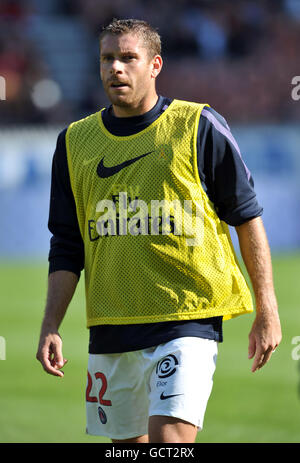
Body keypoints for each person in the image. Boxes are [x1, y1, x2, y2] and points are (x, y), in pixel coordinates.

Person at [36, 18, 282, 444]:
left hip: (186, 320)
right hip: (112, 324)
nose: (116, 68)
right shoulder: (74, 142)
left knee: (170, 440)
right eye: (107, 59)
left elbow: (246, 217)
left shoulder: (198, 126)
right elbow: (67, 243)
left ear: (155, 65)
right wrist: (51, 324)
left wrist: (268, 308)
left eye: (128, 58)